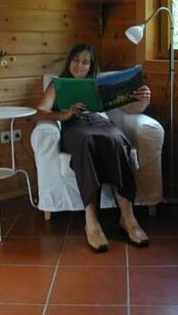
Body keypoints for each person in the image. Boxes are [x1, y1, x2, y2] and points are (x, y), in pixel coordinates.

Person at [35, 43, 151, 252]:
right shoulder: (57, 84)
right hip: (74, 126)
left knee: (116, 139)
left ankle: (128, 218)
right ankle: (92, 222)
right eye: (76, 60)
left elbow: (130, 107)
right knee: (86, 141)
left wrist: (143, 99)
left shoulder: (99, 84)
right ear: (69, 61)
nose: (80, 65)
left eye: (85, 62)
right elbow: (40, 112)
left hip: (100, 122)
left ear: (91, 65)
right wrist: (66, 113)